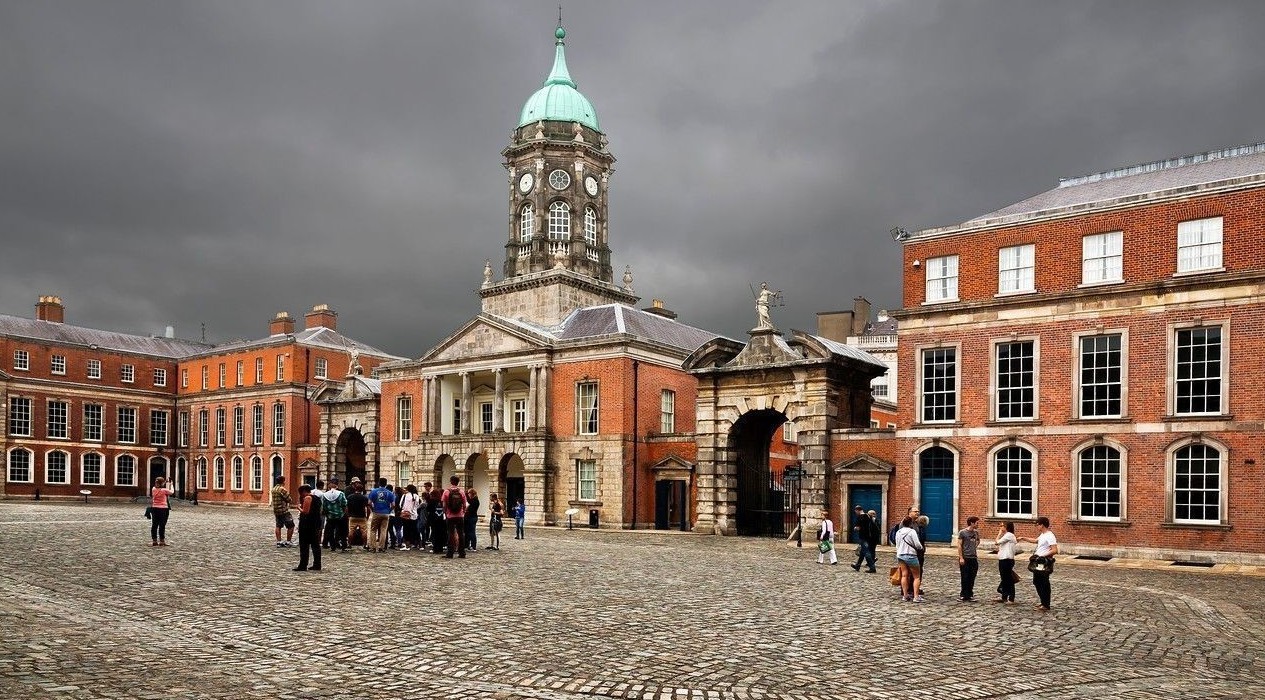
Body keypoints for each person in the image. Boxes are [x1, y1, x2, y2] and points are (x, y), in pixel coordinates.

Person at [1019, 517, 1058, 611]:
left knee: (1043, 583)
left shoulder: (1050, 535)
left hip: (1043, 562)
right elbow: (1036, 541)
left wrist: (1041, 556)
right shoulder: (1043, 535)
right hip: (1038, 561)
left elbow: (1055, 550)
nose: (1036, 527)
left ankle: (1046, 604)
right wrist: (1023, 538)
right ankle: (1042, 602)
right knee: (1037, 581)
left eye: (1037, 525)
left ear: (1042, 525)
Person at [894, 516, 925, 603]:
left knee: (904, 575)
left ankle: (905, 595)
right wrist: (920, 548)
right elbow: (917, 544)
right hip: (911, 555)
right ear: (911, 523)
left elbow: (897, 543)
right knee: (916, 577)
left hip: (900, 555)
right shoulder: (912, 532)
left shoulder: (898, 532)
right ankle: (916, 596)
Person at [293, 484, 322, 572]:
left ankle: (303, 565)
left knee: (304, 545)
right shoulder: (317, 498)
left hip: (307, 524)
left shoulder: (308, 498)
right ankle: (317, 564)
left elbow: (305, 512)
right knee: (315, 545)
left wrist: (298, 508)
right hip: (315, 523)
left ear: (304, 492)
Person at [367, 477, 395, 553]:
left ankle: (373, 547)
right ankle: (381, 547)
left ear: (379, 483)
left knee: (373, 530)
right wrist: (389, 510)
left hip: (377, 511)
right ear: (386, 484)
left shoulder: (374, 492)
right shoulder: (390, 493)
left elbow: (369, 503)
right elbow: (393, 505)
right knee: (383, 530)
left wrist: (372, 509)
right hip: (386, 513)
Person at [443, 475, 468, 558]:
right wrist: (463, 512)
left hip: (450, 516)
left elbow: (444, 504)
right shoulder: (461, 492)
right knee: (461, 534)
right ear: (458, 482)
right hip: (460, 515)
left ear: (451, 481)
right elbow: (464, 504)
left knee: (450, 534)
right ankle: (462, 552)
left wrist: (445, 512)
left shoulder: (447, 491)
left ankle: (450, 553)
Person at [957, 516, 981, 601]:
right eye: (977, 523)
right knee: (965, 577)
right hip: (965, 557)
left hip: (973, 557)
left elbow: (978, 541)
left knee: (972, 576)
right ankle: (963, 594)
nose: (978, 525)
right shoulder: (962, 532)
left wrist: (974, 547)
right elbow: (959, 545)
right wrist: (961, 557)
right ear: (972, 523)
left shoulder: (976, 533)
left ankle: (970, 594)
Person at [321, 477, 348, 552]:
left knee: (330, 532)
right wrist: (344, 513)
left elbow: (324, 506)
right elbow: (344, 504)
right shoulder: (341, 494)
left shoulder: (325, 495)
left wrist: (326, 513)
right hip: (340, 515)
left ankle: (332, 546)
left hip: (330, 516)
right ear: (337, 485)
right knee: (342, 532)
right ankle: (343, 546)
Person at [994, 521, 1018, 604]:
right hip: (1003, 559)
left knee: (1009, 579)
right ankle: (1004, 596)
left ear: (1007, 527)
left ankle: (1011, 598)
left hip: (1007, 560)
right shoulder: (1007, 535)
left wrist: (999, 533)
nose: (1000, 527)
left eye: (1002, 525)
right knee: (1004, 579)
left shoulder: (1009, 535)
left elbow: (996, 542)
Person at [149, 476, 175, 546]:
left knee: (154, 525)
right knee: (162, 525)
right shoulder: (164, 490)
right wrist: (171, 484)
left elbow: (160, 486)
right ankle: (162, 541)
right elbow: (172, 492)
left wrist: (165, 481)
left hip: (154, 508)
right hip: (163, 509)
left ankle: (154, 541)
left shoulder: (153, 489)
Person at [849, 505, 876, 572]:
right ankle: (857, 565)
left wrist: (855, 528)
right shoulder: (868, 516)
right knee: (862, 552)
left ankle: (872, 568)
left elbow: (858, 528)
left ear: (858, 510)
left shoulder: (860, 517)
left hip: (863, 537)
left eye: (856, 511)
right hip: (869, 537)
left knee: (866, 552)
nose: (855, 513)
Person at [270, 476, 294, 548]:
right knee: (291, 525)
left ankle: (279, 541)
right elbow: (289, 499)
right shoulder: (282, 489)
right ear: (283, 481)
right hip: (284, 510)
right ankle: (288, 541)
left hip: (276, 510)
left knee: (278, 526)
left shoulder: (273, 489)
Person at [346, 479, 369, 550]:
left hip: (353, 516)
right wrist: (367, 516)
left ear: (355, 489)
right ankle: (365, 544)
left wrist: (348, 515)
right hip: (362, 516)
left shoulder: (350, 497)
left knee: (351, 531)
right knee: (364, 531)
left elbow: (346, 508)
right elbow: (368, 508)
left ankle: (349, 544)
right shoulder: (364, 497)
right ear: (362, 490)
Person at [399, 484, 422, 550]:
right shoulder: (416, 496)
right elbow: (417, 505)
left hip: (405, 515)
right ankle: (420, 545)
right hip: (414, 515)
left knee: (406, 530)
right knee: (415, 530)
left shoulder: (404, 495)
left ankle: (407, 545)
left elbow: (401, 505)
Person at [427, 485, 446, 554]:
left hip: (433, 519)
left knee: (434, 533)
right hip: (441, 519)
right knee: (440, 533)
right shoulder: (442, 501)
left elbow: (428, 509)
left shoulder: (431, 501)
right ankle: (440, 548)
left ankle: (435, 548)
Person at [464, 488, 480, 552]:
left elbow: (470, 509)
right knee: (468, 532)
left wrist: (466, 510)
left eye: (469, 493)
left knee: (472, 532)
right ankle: (467, 545)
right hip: (471, 517)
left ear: (471, 493)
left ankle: (473, 546)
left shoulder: (474, 501)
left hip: (471, 517)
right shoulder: (474, 500)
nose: (468, 494)